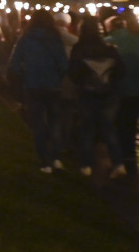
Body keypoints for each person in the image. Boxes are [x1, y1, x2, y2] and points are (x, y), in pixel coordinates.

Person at [8, 10, 70, 173]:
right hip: (53, 85)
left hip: (33, 85)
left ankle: (45, 161)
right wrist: (57, 76)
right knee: (55, 121)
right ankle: (56, 157)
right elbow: (64, 63)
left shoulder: (25, 39)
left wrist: (25, 75)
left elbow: (14, 63)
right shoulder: (55, 38)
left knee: (38, 124)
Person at [68, 16, 127, 178]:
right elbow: (121, 71)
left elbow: (73, 73)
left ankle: (86, 165)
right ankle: (118, 164)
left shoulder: (78, 49)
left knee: (87, 130)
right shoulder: (110, 49)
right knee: (109, 130)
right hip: (109, 95)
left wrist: (82, 82)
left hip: (87, 93)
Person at [106, 11, 139, 178]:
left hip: (116, 91)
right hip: (136, 90)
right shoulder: (136, 41)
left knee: (117, 125)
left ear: (109, 28)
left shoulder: (107, 43)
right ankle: (130, 156)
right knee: (131, 124)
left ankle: (120, 159)